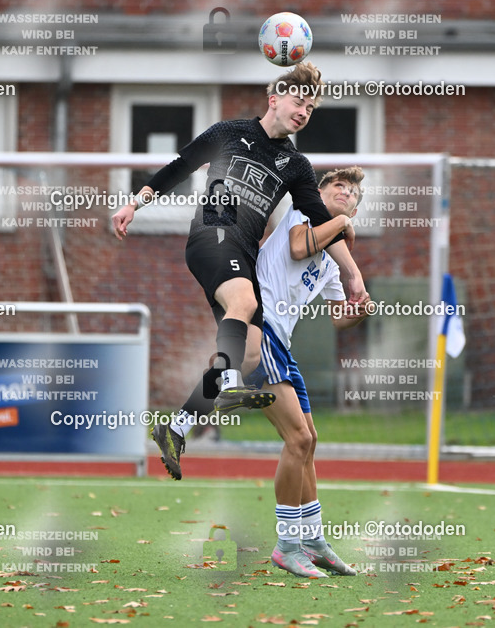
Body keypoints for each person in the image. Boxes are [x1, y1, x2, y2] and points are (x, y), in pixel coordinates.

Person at [111, 62, 366, 480]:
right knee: (244, 304)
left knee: (248, 351)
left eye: (311, 108)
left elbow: (320, 222)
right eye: (298, 102)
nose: (304, 111)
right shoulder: (228, 132)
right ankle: (228, 383)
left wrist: (353, 276)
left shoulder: (296, 165)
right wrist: (134, 204)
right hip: (212, 235)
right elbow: (179, 166)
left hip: (242, 255)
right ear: (274, 99)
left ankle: (176, 427)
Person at [246, 167, 370, 578]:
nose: (345, 192)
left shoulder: (334, 263)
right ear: (319, 194)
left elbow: (339, 320)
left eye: (352, 193)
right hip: (259, 332)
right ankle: (286, 546)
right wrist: (342, 223)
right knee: (297, 439)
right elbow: (299, 249)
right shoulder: (304, 215)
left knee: (310, 440)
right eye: (338, 185)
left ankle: (314, 540)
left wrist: (359, 311)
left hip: (283, 343)